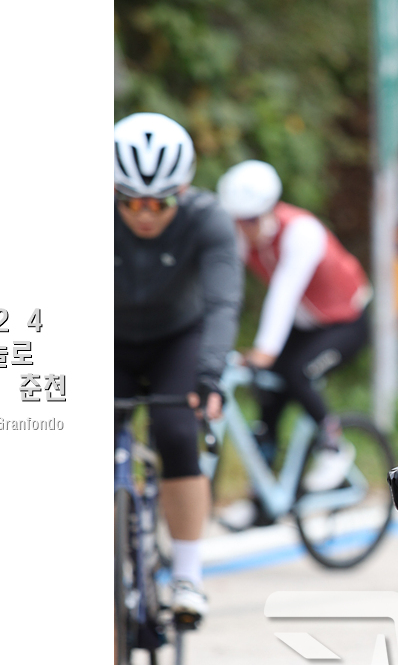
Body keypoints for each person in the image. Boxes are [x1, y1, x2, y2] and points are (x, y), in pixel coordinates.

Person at [115, 113, 242, 627]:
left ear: (183, 191)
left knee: (175, 431)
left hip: (176, 340)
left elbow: (222, 304)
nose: (145, 215)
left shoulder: (208, 219)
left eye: (161, 202)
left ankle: (187, 576)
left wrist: (209, 376)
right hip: (108, 340)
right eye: (131, 202)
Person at [215, 160, 372, 524]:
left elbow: (283, 294)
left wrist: (264, 351)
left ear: (270, 209)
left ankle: (334, 447)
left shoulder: (301, 231)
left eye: (250, 220)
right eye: (237, 221)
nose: (244, 230)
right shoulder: (241, 233)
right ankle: (261, 503)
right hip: (305, 324)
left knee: (297, 372)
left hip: (346, 321)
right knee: (268, 398)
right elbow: (223, 288)